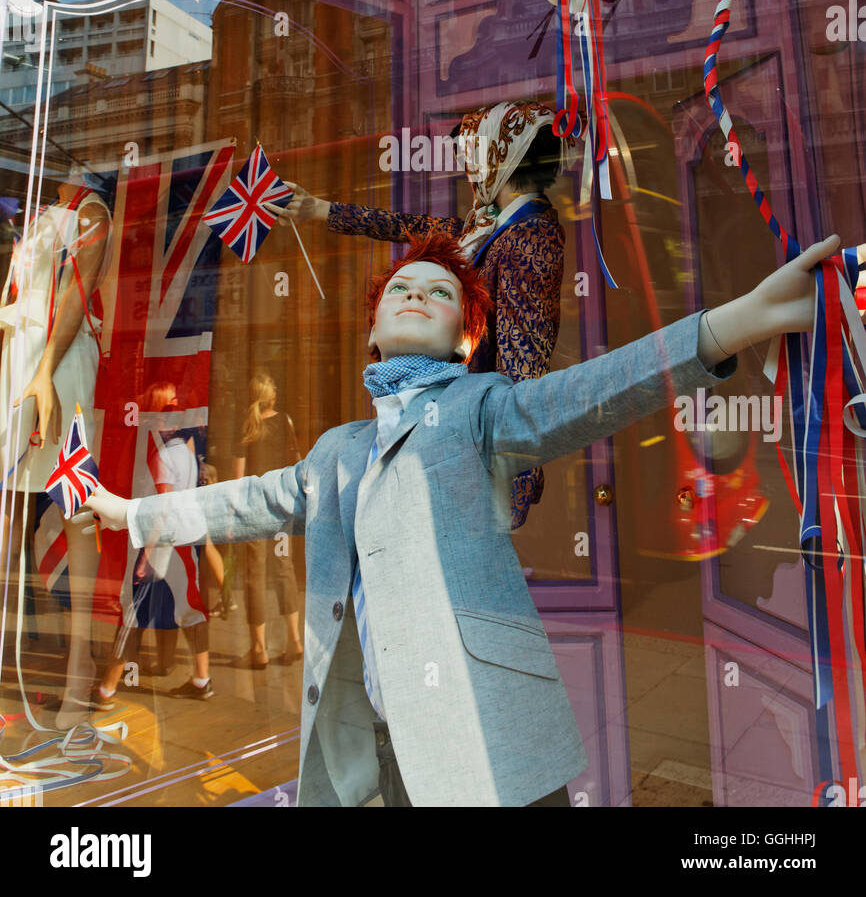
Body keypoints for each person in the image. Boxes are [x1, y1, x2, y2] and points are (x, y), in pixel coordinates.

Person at [77, 229, 840, 807]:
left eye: (439, 293)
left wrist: (731, 324)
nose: (415, 294)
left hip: (483, 733)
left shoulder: (479, 407)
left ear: (467, 340)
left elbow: (591, 393)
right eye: (400, 287)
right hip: (378, 737)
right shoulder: (336, 451)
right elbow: (243, 501)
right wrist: (132, 510)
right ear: (372, 331)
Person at [266, 101, 575, 528]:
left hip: (479, 445)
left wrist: (514, 475)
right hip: (457, 427)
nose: (468, 169)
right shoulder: (490, 225)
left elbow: (525, 357)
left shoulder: (529, 235)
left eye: (474, 155)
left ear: (500, 159)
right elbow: (409, 226)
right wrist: (321, 210)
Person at [0, 174, 111, 727]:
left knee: (73, 505)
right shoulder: (36, 214)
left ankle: (80, 664)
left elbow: (78, 290)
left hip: (61, 364)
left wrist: (44, 370)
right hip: (20, 360)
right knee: (8, 507)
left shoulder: (92, 211)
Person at [93, 382, 214, 707]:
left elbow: (162, 507)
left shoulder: (163, 456)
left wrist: (146, 555)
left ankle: (107, 688)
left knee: (132, 614)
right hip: (185, 540)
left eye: (157, 414)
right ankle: (201, 678)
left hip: (163, 543)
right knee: (192, 609)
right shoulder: (187, 453)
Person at [231, 372, 303, 668]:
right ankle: (294, 641)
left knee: (255, 577)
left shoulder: (247, 426)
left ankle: (259, 649)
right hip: (281, 508)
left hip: (253, 510)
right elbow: (297, 463)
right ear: (271, 395)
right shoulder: (285, 421)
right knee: (284, 571)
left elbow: (237, 479)